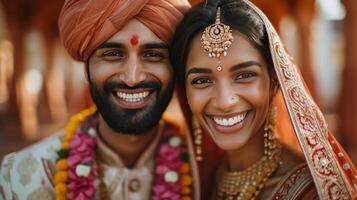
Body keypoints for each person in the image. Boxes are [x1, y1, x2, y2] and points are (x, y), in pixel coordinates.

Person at [0, 0, 201, 199]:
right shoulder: (18, 177)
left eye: (153, 55)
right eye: (113, 54)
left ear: (176, 69)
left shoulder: (205, 171)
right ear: (86, 68)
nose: (132, 78)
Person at [170, 0, 357, 199]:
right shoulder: (197, 178)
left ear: (275, 80)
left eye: (244, 76)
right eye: (202, 80)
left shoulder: (312, 192)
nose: (224, 101)